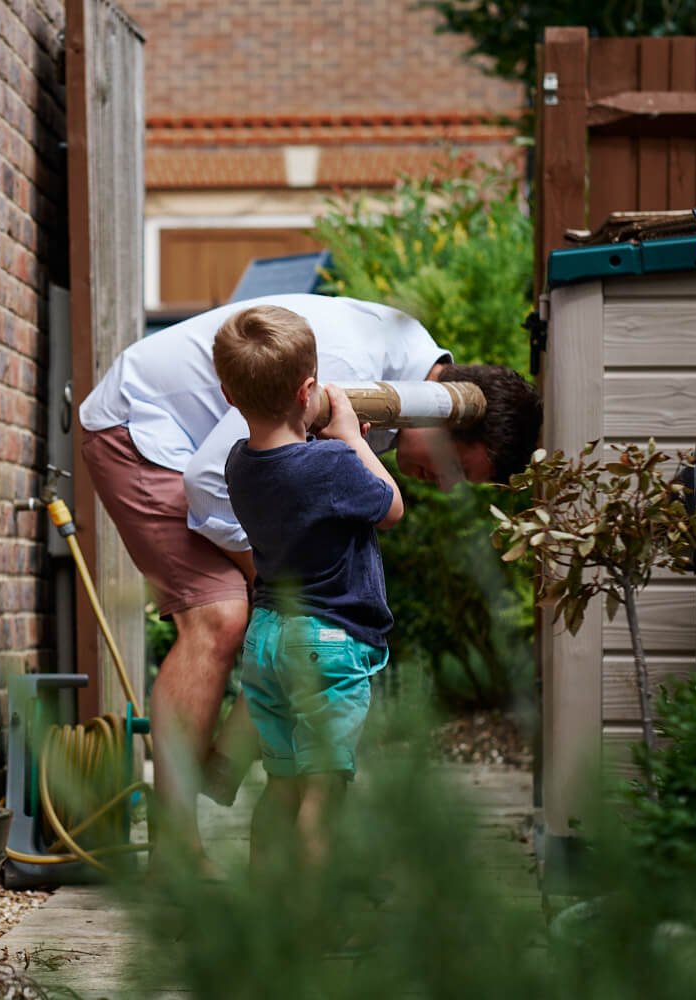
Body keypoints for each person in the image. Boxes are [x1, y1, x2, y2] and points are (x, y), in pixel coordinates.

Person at [77, 293, 541, 863]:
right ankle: (178, 855)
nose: (443, 486)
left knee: (283, 623)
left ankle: (244, 803)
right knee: (221, 619)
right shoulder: (343, 379)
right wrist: (270, 576)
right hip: (141, 426)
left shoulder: (405, 371)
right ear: (450, 420)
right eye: (458, 471)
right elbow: (207, 481)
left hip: (211, 456)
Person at [213, 304, 402, 867]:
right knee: (324, 796)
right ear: (308, 389)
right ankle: (314, 925)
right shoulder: (333, 465)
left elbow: (299, 465)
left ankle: (268, 912)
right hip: (328, 643)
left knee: (283, 783)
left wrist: (338, 446)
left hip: (267, 640)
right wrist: (351, 439)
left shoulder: (237, 464)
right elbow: (391, 506)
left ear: (228, 394)